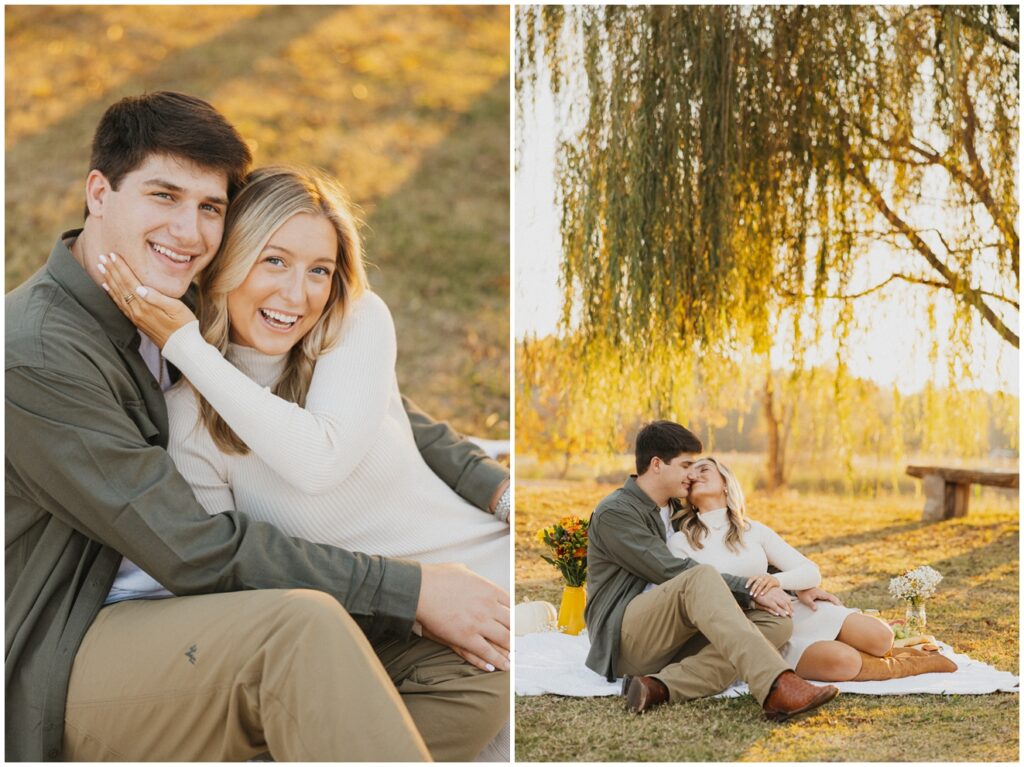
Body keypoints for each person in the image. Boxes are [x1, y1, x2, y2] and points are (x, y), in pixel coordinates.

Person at [5, 91, 508, 762]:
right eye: (164, 195)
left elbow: (378, 403)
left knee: (469, 681)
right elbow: (194, 551)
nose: (188, 232)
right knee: (301, 629)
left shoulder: (180, 288)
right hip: (80, 636)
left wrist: (486, 481)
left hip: (213, 614)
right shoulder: (37, 351)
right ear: (99, 191)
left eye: (209, 207)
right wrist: (411, 590)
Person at [584, 420, 840, 719]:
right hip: (627, 638)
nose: (692, 474)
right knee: (699, 576)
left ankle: (659, 687)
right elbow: (671, 571)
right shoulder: (616, 512)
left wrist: (796, 584)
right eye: (685, 465)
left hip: (676, 632)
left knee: (777, 623)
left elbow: (727, 555)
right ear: (657, 464)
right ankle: (776, 686)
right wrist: (750, 591)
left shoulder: (678, 513)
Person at [667, 456, 957, 682]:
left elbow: (809, 571)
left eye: (704, 470)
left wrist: (774, 581)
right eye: (689, 475)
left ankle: (902, 652)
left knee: (880, 637)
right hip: (756, 628)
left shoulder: (753, 530)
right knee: (844, 661)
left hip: (790, 607)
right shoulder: (680, 542)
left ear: (726, 482)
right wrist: (751, 593)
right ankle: (913, 664)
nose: (694, 476)